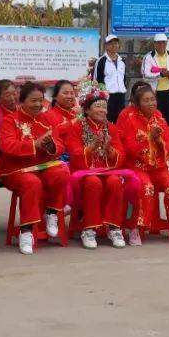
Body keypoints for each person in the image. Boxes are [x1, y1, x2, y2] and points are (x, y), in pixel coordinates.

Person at [0, 82, 71, 254]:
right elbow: (7, 146)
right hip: (17, 171)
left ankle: (52, 211)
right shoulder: (11, 120)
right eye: (33, 101)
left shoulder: (48, 119)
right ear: (21, 101)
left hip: (43, 166)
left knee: (61, 172)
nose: (38, 105)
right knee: (32, 183)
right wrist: (35, 144)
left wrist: (50, 146)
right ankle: (27, 230)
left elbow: (60, 145)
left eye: (40, 100)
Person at [119, 83, 169, 245]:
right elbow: (128, 148)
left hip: (158, 167)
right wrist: (150, 139)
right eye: (146, 100)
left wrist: (159, 140)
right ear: (136, 104)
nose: (151, 103)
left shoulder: (160, 118)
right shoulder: (128, 118)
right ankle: (137, 228)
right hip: (137, 167)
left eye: (153, 99)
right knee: (147, 188)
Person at [59, 89, 129, 249]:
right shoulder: (77, 127)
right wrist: (92, 146)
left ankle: (114, 228)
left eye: (104, 107)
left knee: (115, 182)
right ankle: (89, 229)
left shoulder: (111, 128)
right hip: (83, 172)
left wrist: (109, 148)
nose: (102, 110)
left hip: (107, 170)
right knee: (93, 182)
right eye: (97, 106)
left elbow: (121, 154)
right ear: (87, 110)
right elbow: (74, 153)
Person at [142, 33, 169, 128]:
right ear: (154, 44)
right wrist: (160, 74)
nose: (161, 45)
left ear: (166, 43)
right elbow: (145, 74)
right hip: (154, 94)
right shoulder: (148, 57)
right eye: (159, 43)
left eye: (163, 43)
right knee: (154, 121)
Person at [95, 34, 127, 123]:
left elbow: (124, 78)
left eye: (116, 43)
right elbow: (96, 80)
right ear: (106, 46)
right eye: (111, 43)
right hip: (108, 97)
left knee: (120, 120)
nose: (114, 45)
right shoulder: (101, 61)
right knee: (107, 120)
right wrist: (101, 96)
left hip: (120, 95)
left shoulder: (122, 61)